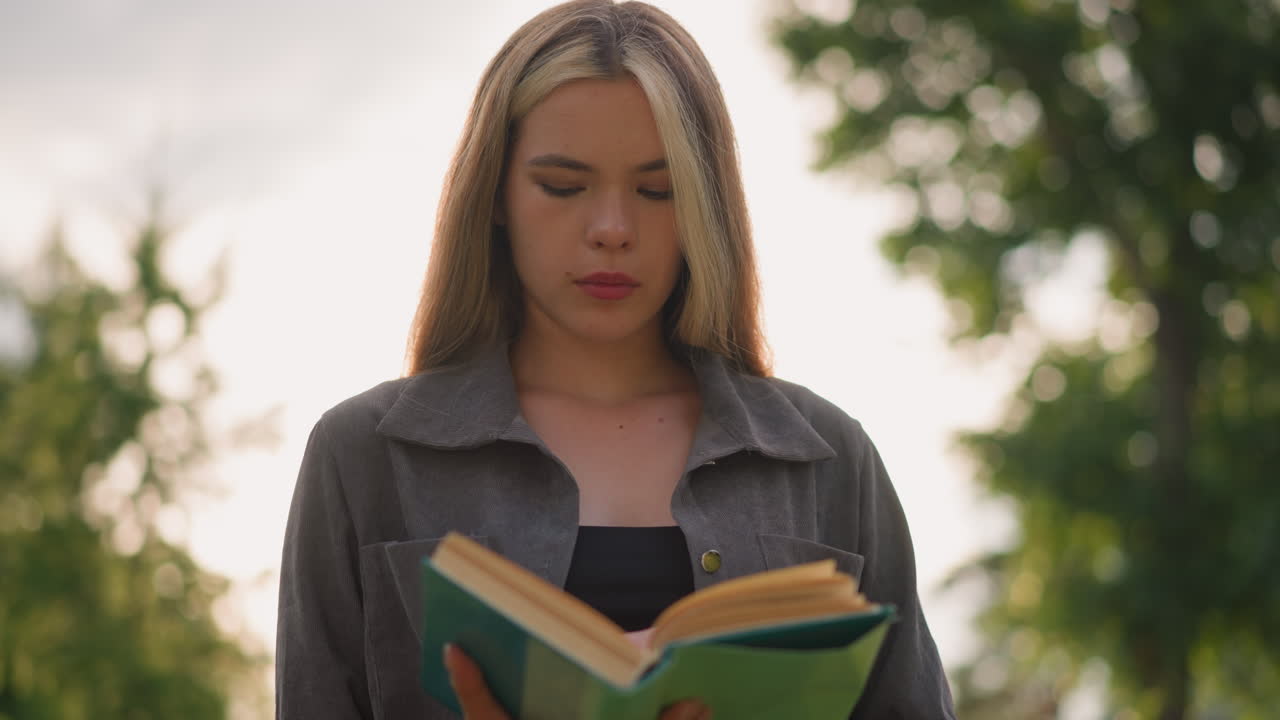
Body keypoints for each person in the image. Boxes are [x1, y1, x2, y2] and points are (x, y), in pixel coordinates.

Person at [276, 1, 957, 718]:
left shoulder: (827, 461)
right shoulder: (363, 457)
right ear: (497, 193)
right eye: (563, 186)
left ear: (706, 206)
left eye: (658, 191)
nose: (611, 229)